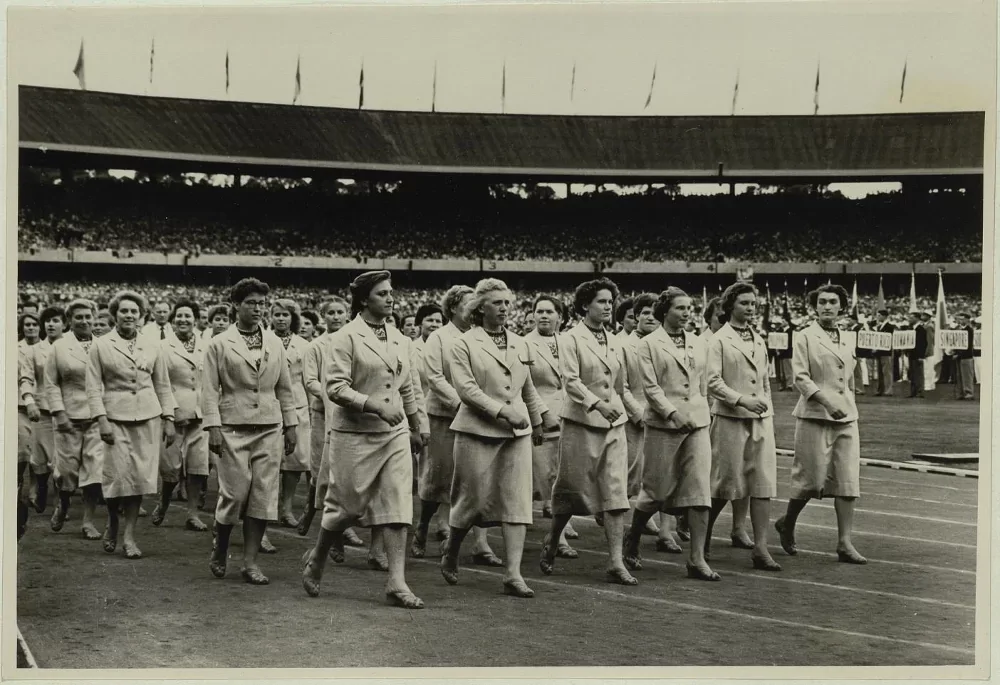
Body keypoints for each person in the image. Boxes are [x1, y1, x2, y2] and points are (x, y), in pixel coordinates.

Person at [301, 270, 426, 609]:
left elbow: (407, 386)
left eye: (391, 293)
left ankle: (397, 582)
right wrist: (374, 407)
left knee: (399, 504)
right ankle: (317, 558)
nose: (391, 299)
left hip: (394, 434)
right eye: (383, 294)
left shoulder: (400, 337)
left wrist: (416, 424)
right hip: (354, 433)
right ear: (364, 300)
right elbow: (336, 388)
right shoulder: (345, 337)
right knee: (345, 509)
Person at [440, 279, 553, 598]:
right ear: (480, 308)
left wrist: (537, 418)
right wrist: (501, 412)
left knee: (517, 501)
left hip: (517, 432)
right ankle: (452, 549)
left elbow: (527, 387)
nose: (504, 308)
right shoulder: (463, 343)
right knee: (471, 499)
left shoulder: (521, 343)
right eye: (497, 303)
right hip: (477, 429)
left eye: (507, 303)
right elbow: (466, 390)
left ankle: (513, 574)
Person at [541, 277, 636, 585]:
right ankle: (553, 539)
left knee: (615, 491)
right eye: (601, 302)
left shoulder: (616, 340)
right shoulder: (570, 339)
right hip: (582, 423)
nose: (608, 307)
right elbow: (570, 380)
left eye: (610, 302)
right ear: (585, 305)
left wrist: (624, 408)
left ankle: (615, 561)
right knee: (572, 489)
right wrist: (596, 404)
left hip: (614, 424)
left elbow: (621, 385)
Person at [203, 278, 298, 584]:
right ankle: (221, 545)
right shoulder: (219, 343)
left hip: (269, 427)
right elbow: (208, 390)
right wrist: (213, 427)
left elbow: (285, 388)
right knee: (235, 492)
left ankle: (250, 562)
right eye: (251, 303)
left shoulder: (274, 342)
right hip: (232, 426)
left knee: (263, 494)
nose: (258, 309)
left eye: (262, 304)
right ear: (236, 306)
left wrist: (291, 425)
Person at [623, 287, 720, 581]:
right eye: (680, 308)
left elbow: (703, 383)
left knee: (700, 490)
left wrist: (701, 410)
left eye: (689, 307)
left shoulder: (698, 342)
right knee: (656, 490)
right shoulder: (649, 344)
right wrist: (672, 413)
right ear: (665, 312)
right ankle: (634, 536)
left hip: (698, 423)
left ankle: (697, 559)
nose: (687, 312)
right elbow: (650, 388)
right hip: (664, 425)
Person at [775, 284, 866, 565]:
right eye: (822, 302)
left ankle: (844, 542)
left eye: (833, 302)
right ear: (815, 307)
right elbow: (800, 378)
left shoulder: (848, 338)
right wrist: (827, 402)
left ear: (842, 306)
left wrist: (847, 402)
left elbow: (848, 376)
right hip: (815, 414)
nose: (827, 306)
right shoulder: (804, 336)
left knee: (847, 479)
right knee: (811, 481)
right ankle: (787, 522)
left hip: (847, 416)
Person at [412, 285, 501, 565]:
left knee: (475, 479)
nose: (474, 308)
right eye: (468, 304)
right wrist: (461, 403)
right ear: (452, 308)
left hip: (478, 418)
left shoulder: (483, 335)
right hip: (445, 415)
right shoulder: (439, 337)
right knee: (437, 479)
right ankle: (423, 527)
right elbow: (435, 377)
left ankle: (480, 543)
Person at [87, 290, 177, 559]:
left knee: (138, 477)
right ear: (114, 314)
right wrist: (101, 420)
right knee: (117, 476)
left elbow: (162, 384)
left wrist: (169, 418)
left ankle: (129, 536)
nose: (128, 315)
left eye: (134, 312)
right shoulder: (100, 345)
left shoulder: (153, 345)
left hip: (147, 417)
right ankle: (113, 520)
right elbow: (92, 388)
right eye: (124, 311)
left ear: (141, 316)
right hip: (114, 418)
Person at [704, 283, 781, 571]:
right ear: (730, 306)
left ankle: (761, 547)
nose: (750, 308)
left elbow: (764, 381)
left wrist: (765, 409)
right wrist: (741, 401)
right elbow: (712, 382)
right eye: (744, 303)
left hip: (760, 420)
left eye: (753, 303)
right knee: (724, 484)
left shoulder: (757, 338)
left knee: (762, 483)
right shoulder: (719, 340)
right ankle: (704, 536)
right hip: (729, 419)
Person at [298, 297, 360, 544]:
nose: (336, 317)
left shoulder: (354, 341)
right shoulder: (315, 346)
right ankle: (312, 510)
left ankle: (342, 526)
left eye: (340, 312)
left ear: (347, 314)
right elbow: (310, 380)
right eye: (331, 313)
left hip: (348, 413)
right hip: (323, 413)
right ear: (323, 316)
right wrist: (327, 395)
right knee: (321, 469)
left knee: (344, 470)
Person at [524, 294, 578, 557]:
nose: (544, 316)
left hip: (569, 416)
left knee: (564, 477)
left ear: (560, 316)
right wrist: (543, 414)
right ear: (533, 315)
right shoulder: (524, 345)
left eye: (550, 312)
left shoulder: (567, 342)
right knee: (546, 478)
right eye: (539, 311)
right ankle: (555, 537)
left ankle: (559, 531)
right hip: (541, 419)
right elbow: (527, 386)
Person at [46, 299, 105, 539]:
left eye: (87, 316)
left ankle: (88, 521)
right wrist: (59, 413)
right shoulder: (59, 347)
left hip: (97, 417)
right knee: (66, 473)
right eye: (78, 317)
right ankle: (63, 504)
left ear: (94, 318)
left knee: (95, 471)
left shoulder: (104, 345)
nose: (84, 321)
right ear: (70, 320)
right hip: (68, 418)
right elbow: (50, 384)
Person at [619, 293, 676, 545]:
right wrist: (638, 415)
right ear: (637, 317)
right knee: (630, 474)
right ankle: (622, 524)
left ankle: (666, 532)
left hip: (664, 417)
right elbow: (621, 387)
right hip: (637, 419)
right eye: (644, 313)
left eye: (655, 312)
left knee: (667, 474)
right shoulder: (623, 346)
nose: (650, 317)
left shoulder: (670, 344)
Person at [151, 299, 211, 531]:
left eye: (188, 316)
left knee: (198, 466)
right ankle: (164, 503)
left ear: (195, 319)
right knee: (171, 470)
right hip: (174, 413)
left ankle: (193, 514)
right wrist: (169, 414)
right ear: (173, 320)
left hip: (200, 413)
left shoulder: (207, 345)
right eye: (180, 316)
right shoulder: (163, 347)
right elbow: (160, 384)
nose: (183, 320)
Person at [270, 299, 312, 527]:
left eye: (285, 315)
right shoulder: (265, 340)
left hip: (297, 406)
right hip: (270, 404)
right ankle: (266, 508)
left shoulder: (303, 346)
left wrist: (311, 409)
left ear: (292, 318)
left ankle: (286, 508)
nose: (280, 319)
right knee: (270, 461)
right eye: (276, 314)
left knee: (294, 461)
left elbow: (308, 380)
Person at [20, 306, 65, 513]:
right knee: (39, 458)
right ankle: (41, 487)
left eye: (55, 320)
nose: (50, 324)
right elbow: (26, 378)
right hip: (42, 411)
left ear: (64, 324)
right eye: (46, 321)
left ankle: (59, 502)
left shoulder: (71, 347)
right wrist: (29, 401)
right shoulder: (34, 351)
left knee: (61, 459)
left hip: (66, 413)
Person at [16, 312, 42, 539]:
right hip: (20, 406)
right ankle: (21, 489)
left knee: (39, 453)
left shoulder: (47, 348)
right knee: (24, 451)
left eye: (35, 324)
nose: (31, 328)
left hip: (43, 408)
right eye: (27, 325)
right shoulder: (15, 348)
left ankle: (35, 489)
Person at [953, 312, 976, 400]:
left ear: (967, 320)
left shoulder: (969, 330)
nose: (960, 320)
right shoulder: (958, 330)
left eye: (962, 319)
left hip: (966, 356)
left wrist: (958, 354)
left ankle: (969, 393)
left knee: (967, 376)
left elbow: (967, 345)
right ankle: (961, 393)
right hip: (959, 356)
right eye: (959, 319)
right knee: (959, 376)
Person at [872, 309, 895, 396]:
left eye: (879, 316)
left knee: (886, 372)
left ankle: (888, 390)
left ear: (884, 316)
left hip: (886, 352)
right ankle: (880, 389)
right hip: (879, 351)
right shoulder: (878, 327)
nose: (877, 317)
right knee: (880, 372)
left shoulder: (890, 327)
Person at [906, 308, 928, 399]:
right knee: (912, 374)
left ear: (917, 318)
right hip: (912, 354)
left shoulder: (921, 329)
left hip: (917, 355)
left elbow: (923, 344)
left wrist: (921, 356)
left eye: (911, 318)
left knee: (918, 374)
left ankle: (919, 391)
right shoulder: (911, 328)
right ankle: (913, 391)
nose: (909, 319)